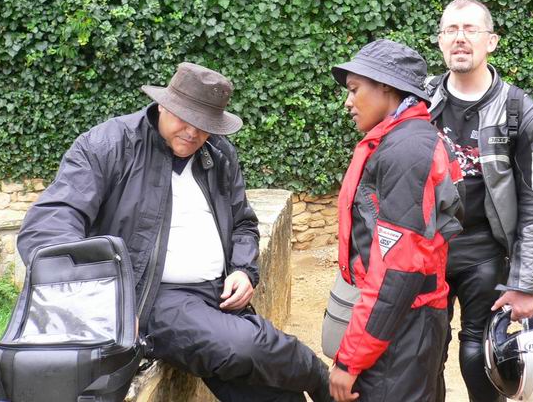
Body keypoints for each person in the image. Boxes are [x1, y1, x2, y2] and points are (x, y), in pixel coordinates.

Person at [17, 62, 333, 402]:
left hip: (221, 295)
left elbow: (243, 223)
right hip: (153, 297)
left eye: (205, 125)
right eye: (185, 118)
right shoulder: (108, 145)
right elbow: (47, 227)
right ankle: (322, 380)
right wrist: (104, 301)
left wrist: (243, 269)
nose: (193, 133)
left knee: (270, 392)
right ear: (164, 105)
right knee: (246, 346)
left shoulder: (218, 153)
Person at [428, 0, 533, 402]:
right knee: (422, 352)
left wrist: (525, 283)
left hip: (484, 251)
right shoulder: (417, 102)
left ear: (492, 41)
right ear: (440, 41)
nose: (460, 38)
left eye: (471, 29)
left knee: (480, 354)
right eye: (451, 30)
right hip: (425, 249)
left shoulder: (522, 112)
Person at [328, 39, 463, 402]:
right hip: (406, 325)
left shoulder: (406, 151)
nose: (348, 102)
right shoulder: (404, 140)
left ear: (386, 86)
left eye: (354, 89)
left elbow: (397, 273)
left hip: (402, 331)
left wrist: (350, 360)